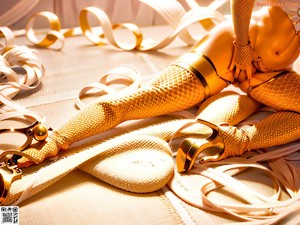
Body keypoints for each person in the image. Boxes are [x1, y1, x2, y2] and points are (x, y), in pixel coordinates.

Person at [17, 0, 300, 169]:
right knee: (149, 99)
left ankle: (235, 141)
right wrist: (242, 45)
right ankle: (54, 140)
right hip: (232, 49)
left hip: (270, 74)